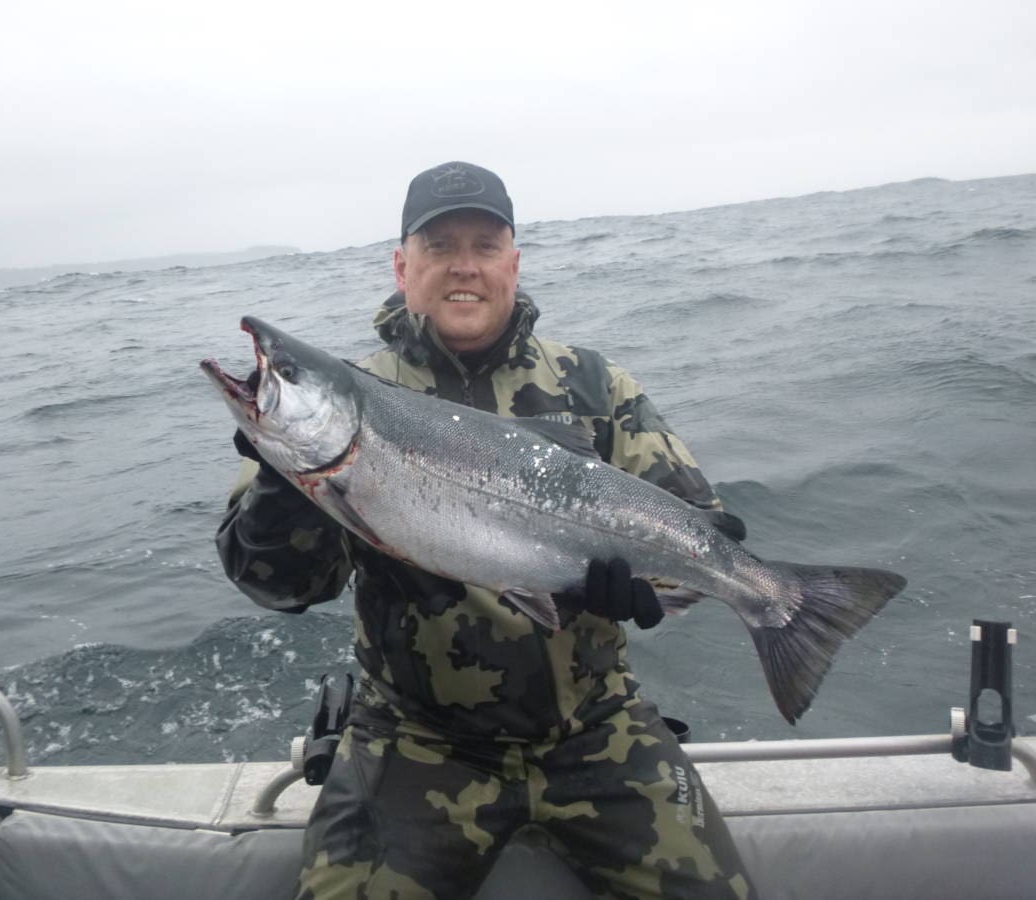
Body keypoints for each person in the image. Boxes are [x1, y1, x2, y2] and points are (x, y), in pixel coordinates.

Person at [216, 161, 756, 899]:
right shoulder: (347, 396)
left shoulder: (595, 386)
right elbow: (280, 589)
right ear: (403, 267)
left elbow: (692, 515)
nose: (463, 266)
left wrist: (658, 579)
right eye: (439, 247)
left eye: (484, 245)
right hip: (413, 739)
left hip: (599, 725)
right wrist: (282, 489)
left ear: (514, 262)